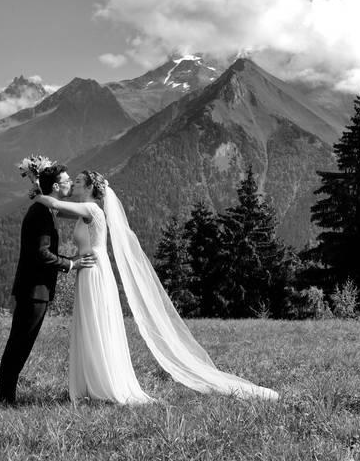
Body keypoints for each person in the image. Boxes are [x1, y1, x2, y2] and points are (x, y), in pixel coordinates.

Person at [35, 170, 278, 404]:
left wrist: (37, 192)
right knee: (91, 324)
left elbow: (54, 205)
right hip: (89, 271)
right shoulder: (83, 211)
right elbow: (57, 211)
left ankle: (102, 383)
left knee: (95, 323)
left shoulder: (90, 208)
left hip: (94, 272)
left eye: (78, 181)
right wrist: (39, 188)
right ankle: (93, 381)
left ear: (89, 187)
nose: (74, 183)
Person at [0, 164, 96, 406]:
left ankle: (5, 397)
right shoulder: (40, 213)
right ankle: (4, 399)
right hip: (34, 290)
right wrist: (70, 263)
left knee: (20, 344)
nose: (70, 183)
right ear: (55, 186)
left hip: (35, 289)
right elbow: (41, 254)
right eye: (67, 180)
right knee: (19, 344)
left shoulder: (45, 210)